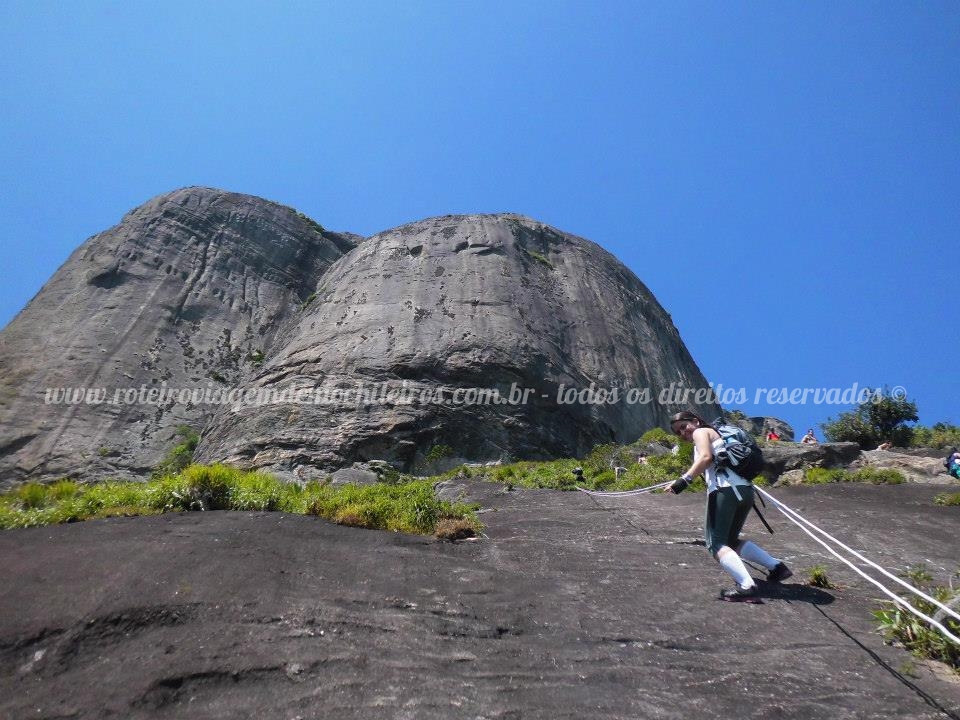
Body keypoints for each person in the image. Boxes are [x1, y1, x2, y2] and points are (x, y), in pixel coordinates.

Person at [665, 411, 792, 601]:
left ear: (695, 421)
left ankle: (746, 586)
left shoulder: (701, 432)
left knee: (715, 544)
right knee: (730, 541)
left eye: (684, 427)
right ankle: (776, 567)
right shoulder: (715, 434)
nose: (683, 433)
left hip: (725, 491)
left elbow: (706, 457)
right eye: (678, 432)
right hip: (745, 491)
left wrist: (684, 481)